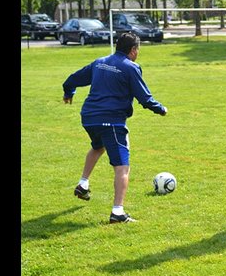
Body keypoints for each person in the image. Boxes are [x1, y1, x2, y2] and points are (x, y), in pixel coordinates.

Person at [62, 32, 168, 224]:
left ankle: (83, 184)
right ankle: (117, 212)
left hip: (88, 117)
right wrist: (160, 109)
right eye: (138, 50)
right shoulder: (130, 67)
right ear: (133, 50)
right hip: (111, 121)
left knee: (98, 147)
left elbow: (73, 78)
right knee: (122, 167)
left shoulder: (99, 62)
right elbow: (144, 97)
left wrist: (69, 92)